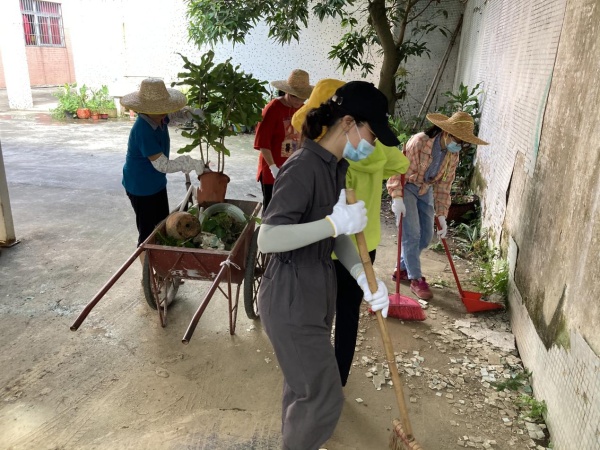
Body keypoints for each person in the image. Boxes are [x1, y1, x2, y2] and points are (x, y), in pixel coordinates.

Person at [257, 81, 397, 450]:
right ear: (349, 123)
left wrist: (363, 277)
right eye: (372, 134)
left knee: (303, 389)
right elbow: (268, 239)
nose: (373, 145)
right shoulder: (302, 168)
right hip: (290, 296)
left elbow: (337, 238)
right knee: (323, 396)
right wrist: (333, 224)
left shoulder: (335, 166)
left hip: (316, 293)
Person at [291, 79, 410, 387]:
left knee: (318, 316)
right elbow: (400, 162)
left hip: (325, 247)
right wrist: (378, 166)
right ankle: (338, 379)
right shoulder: (367, 151)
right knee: (347, 314)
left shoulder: (333, 156)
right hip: (364, 243)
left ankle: (317, 381)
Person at [387, 111, 488, 300]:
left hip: (425, 189)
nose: (459, 146)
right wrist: (397, 197)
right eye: (458, 140)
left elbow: (444, 186)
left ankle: (401, 268)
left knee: (426, 236)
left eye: (463, 143)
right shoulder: (420, 141)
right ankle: (415, 278)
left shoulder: (452, 155)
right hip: (407, 185)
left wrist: (442, 214)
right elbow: (399, 170)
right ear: (447, 132)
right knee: (412, 234)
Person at [120, 78, 205, 262]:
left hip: (156, 183)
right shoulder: (143, 130)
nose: (166, 111)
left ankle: (161, 264)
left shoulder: (159, 117)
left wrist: (194, 114)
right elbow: (163, 165)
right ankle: (148, 272)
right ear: (148, 110)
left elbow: (175, 115)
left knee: (162, 224)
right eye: (162, 108)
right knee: (148, 234)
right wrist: (189, 163)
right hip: (141, 187)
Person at [254, 69, 313, 211]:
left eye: (302, 98)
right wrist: (273, 168)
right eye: (295, 97)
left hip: (293, 168)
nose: (298, 101)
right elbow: (263, 143)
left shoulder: (303, 110)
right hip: (272, 169)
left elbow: (305, 137)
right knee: (271, 208)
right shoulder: (272, 109)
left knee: (289, 208)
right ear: (287, 92)